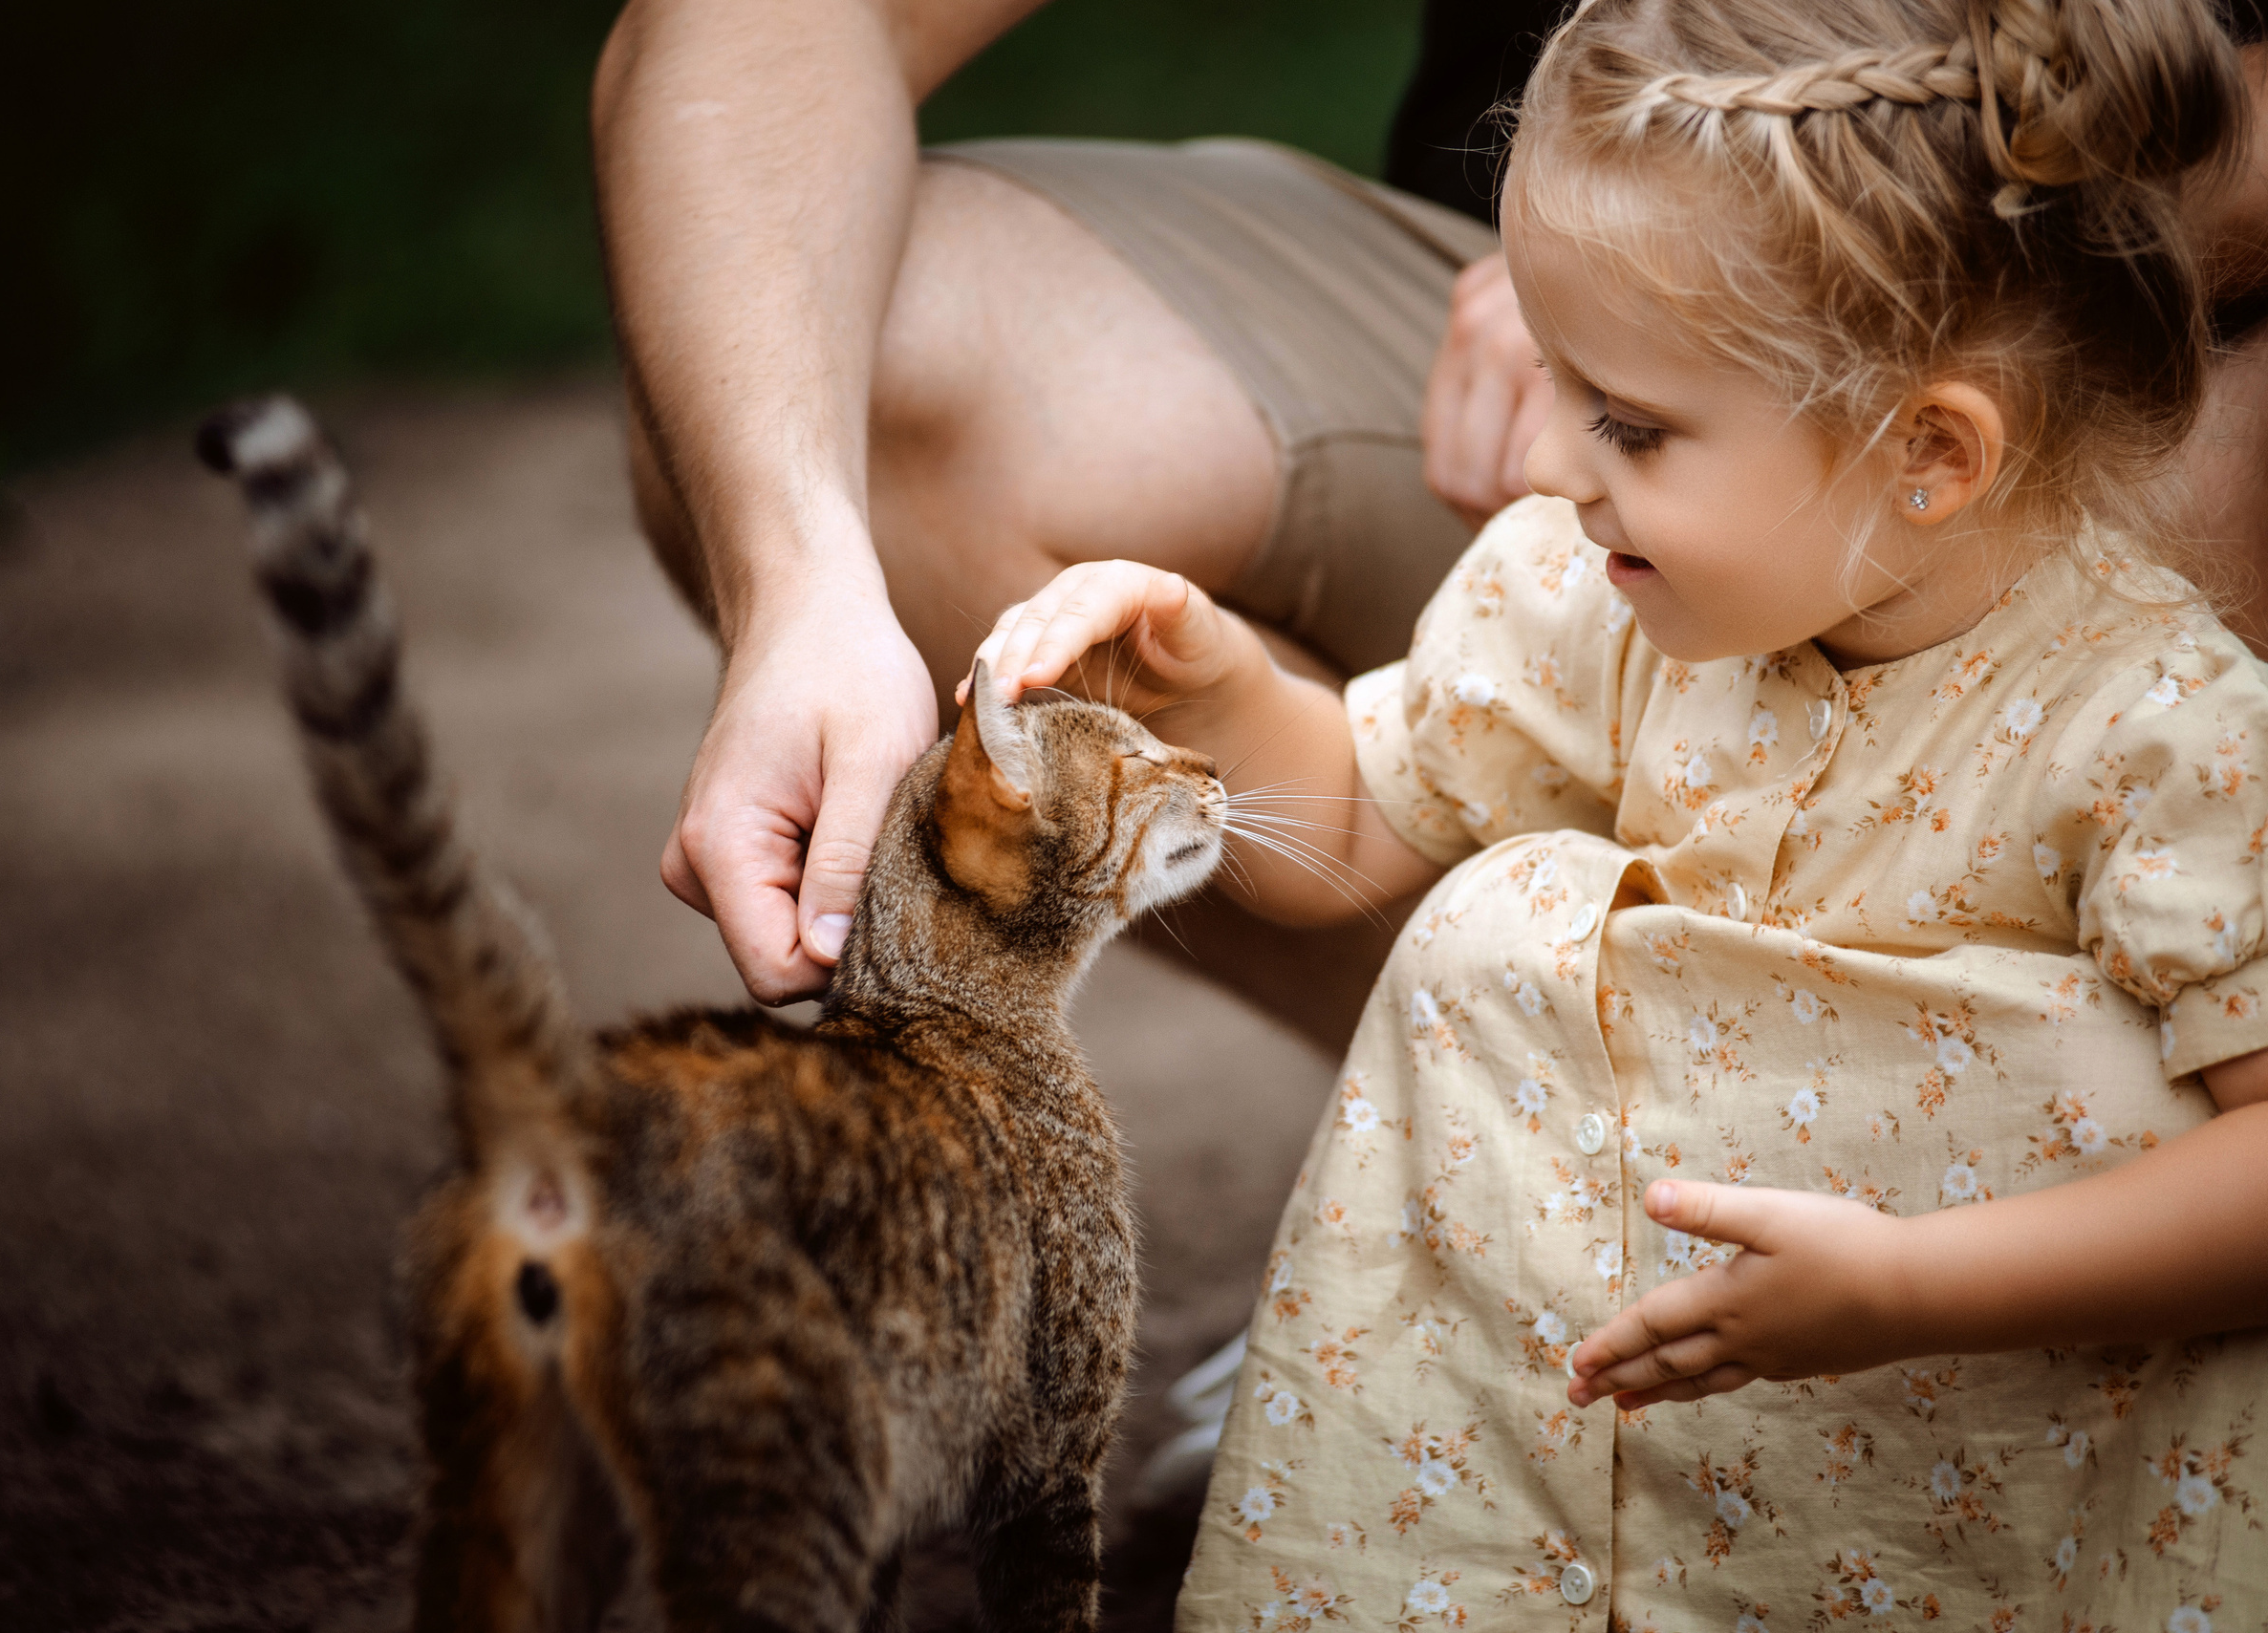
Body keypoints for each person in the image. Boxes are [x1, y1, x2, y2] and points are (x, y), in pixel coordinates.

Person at [962, 0, 2268, 1622]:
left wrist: (1908, 1287)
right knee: (1492, 920)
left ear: (1926, 449)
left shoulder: (2157, 728)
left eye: (1632, 424)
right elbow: (1363, 822)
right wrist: (1215, 686)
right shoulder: (1605, 593)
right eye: (1565, 380)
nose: (1563, 464)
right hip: (1656, 1475)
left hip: (1998, 1507)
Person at [588, 0, 2268, 1047]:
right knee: (802, 348)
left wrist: (1732, 280)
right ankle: (1515, 1180)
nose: (1542, 467)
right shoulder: (1565, 577)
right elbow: (1366, 793)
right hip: (1656, 337)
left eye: (1599, 418)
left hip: (2115, 341)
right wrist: (816, 581)